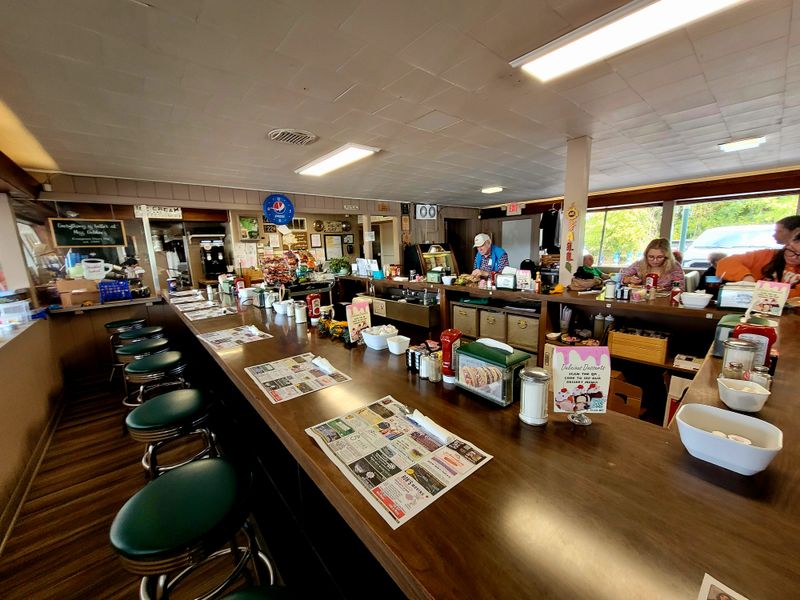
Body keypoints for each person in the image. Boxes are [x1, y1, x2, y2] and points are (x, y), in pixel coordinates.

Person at [716, 233, 800, 297]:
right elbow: (725, 263)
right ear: (787, 245)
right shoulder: (767, 255)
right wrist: (746, 277)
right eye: (791, 250)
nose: (794, 257)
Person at [619, 238, 684, 291]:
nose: (655, 260)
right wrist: (629, 279)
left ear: (667, 257)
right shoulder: (639, 264)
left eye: (660, 257)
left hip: (664, 301)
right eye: (651, 257)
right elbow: (621, 276)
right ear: (646, 255)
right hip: (642, 299)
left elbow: (680, 289)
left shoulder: (674, 266)